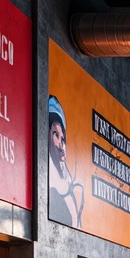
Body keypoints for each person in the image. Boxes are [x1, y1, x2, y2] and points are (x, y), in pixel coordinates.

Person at [47, 96, 84, 228]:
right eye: (56, 135)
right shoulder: (50, 183)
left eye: (63, 139)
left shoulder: (71, 183)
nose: (61, 145)